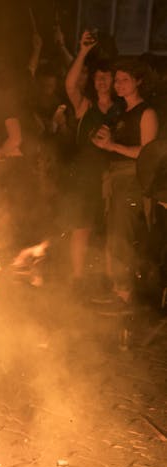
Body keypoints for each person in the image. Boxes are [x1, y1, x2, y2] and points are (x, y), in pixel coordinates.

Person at [91, 58, 159, 306]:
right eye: (116, 80)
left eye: (124, 80)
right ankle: (118, 291)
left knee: (122, 235)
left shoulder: (146, 112)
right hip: (116, 178)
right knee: (113, 235)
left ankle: (124, 293)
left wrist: (113, 145)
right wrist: (102, 142)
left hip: (133, 179)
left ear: (138, 81)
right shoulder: (119, 111)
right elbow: (110, 145)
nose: (117, 85)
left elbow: (147, 152)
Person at [63, 30, 121, 292]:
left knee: (111, 230)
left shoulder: (121, 109)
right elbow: (70, 86)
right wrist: (83, 51)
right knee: (81, 227)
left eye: (106, 77)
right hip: (85, 177)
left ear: (113, 80)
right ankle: (76, 281)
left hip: (113, 175)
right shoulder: (85, 106)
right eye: (97, 77)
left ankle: (110, 282)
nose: (101, 81)